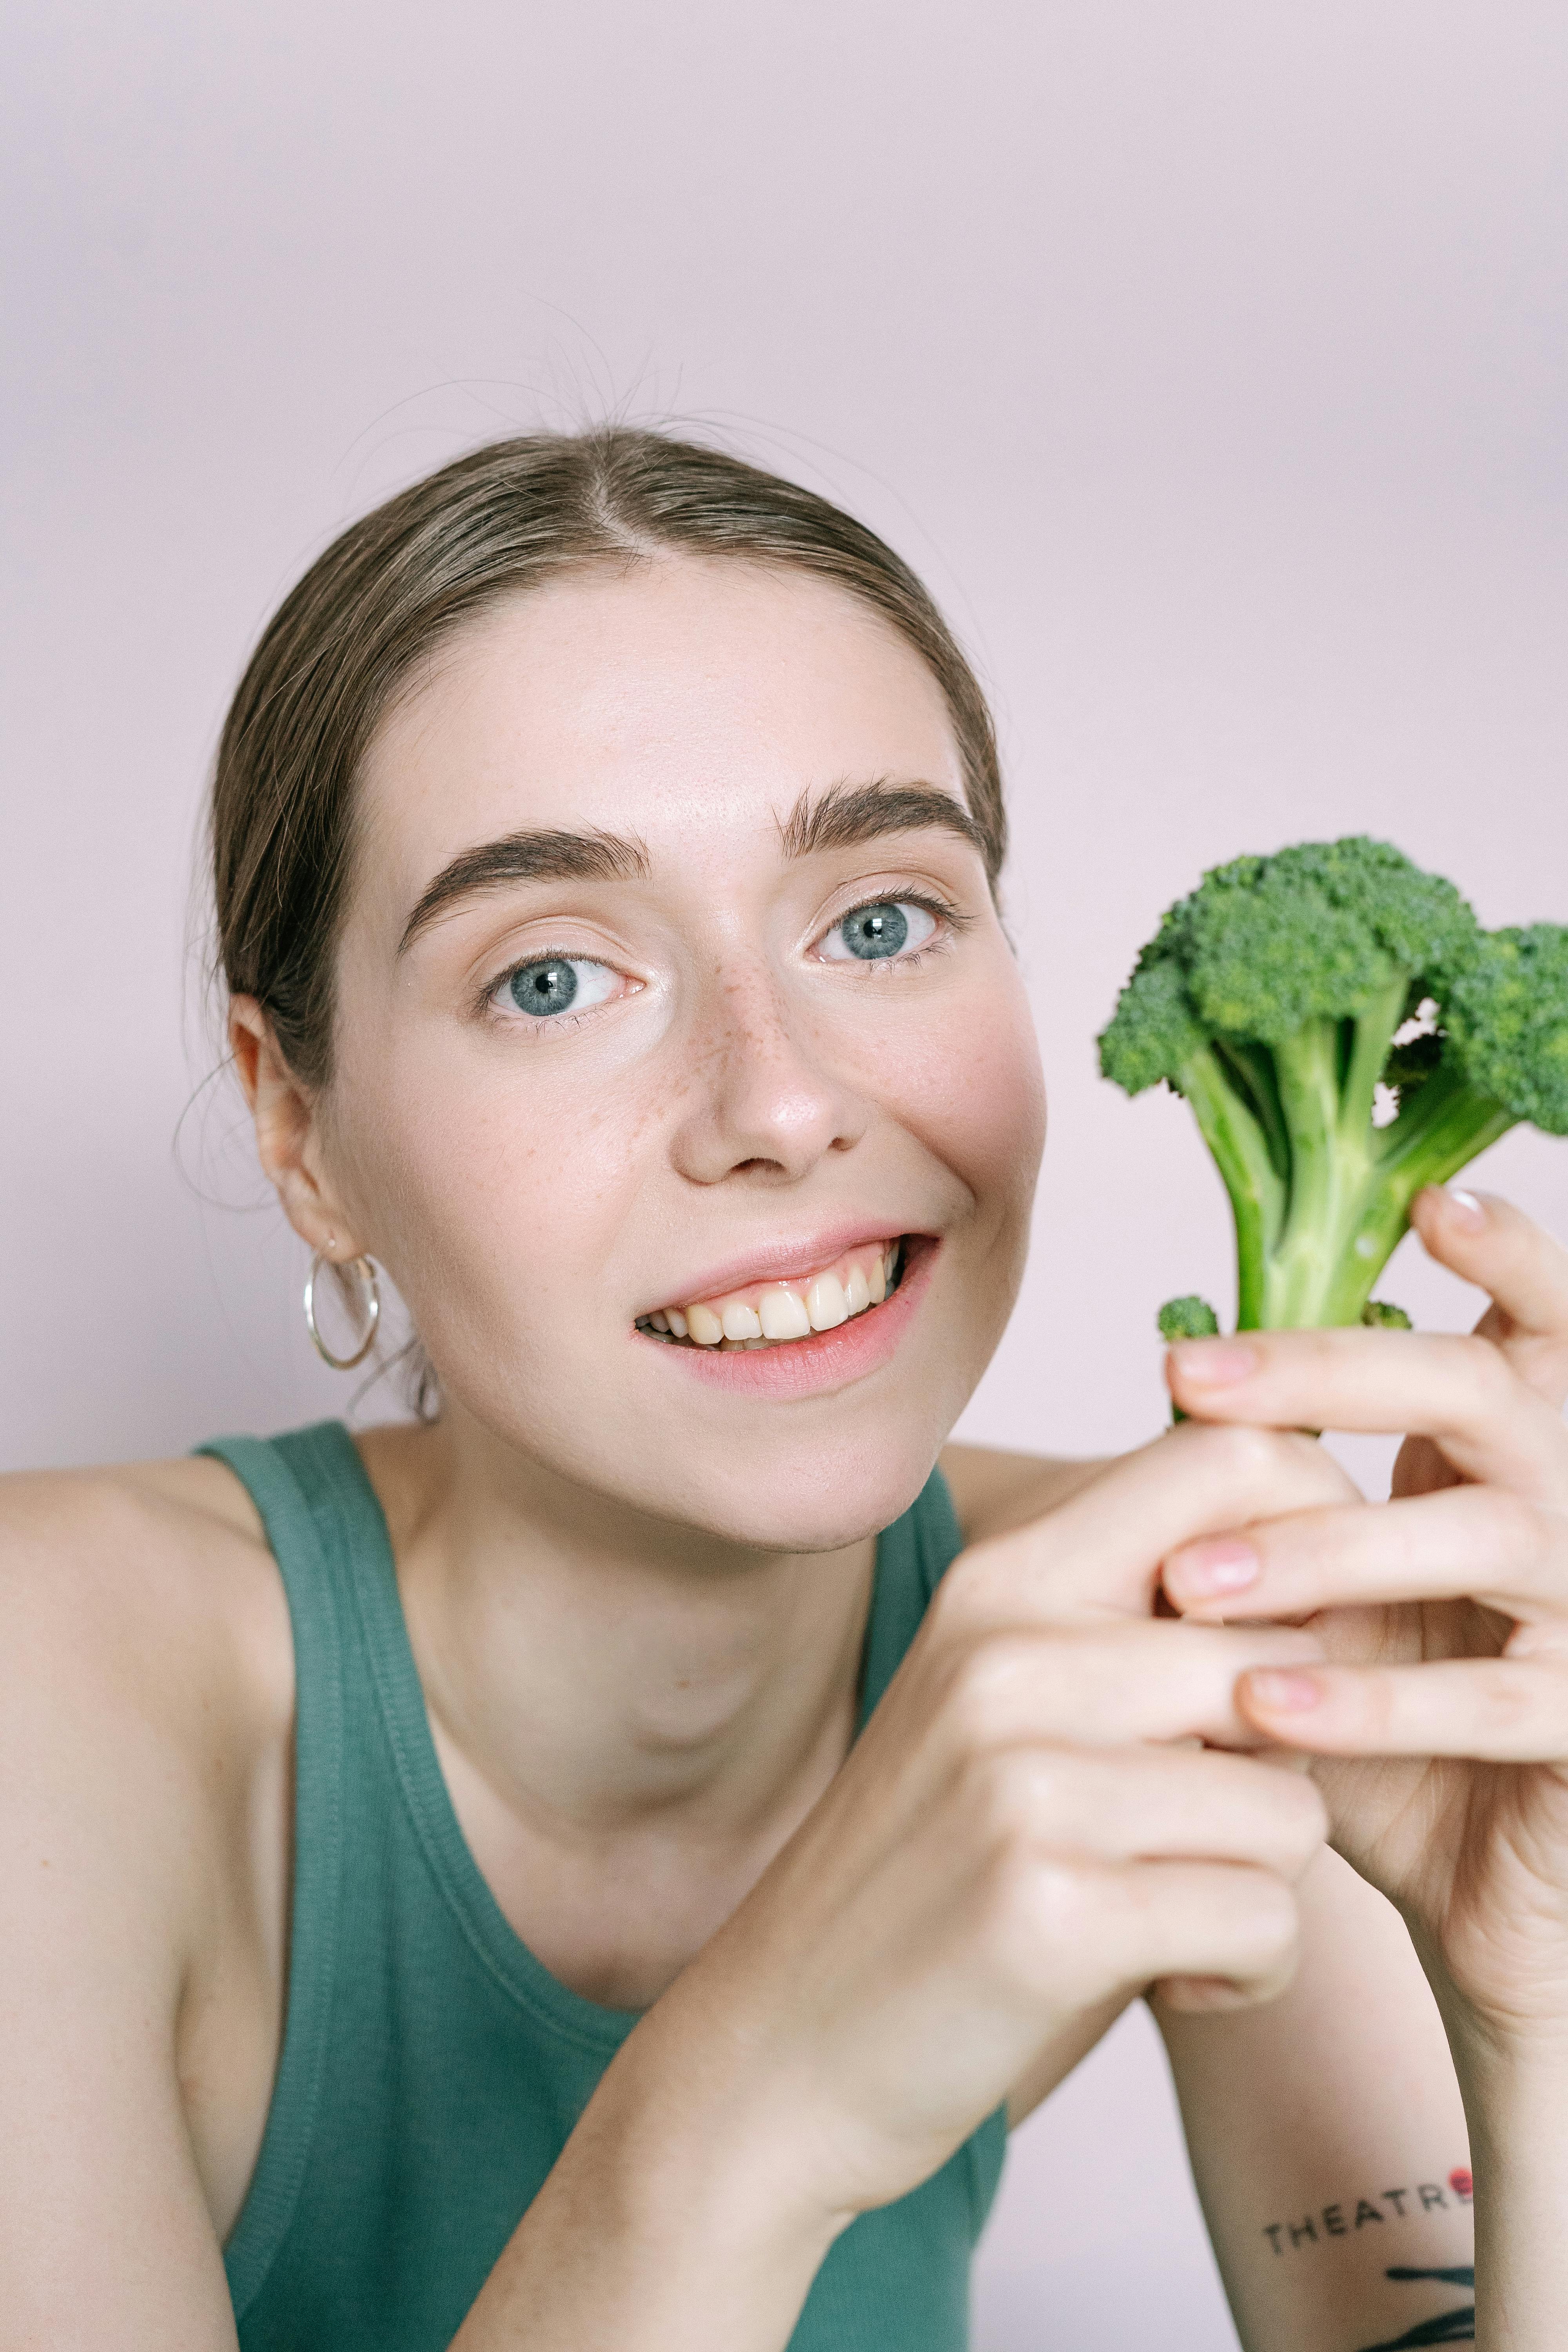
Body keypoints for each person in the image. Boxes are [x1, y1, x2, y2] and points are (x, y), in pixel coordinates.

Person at [2, 429, 1563, 2352]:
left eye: (880, 921)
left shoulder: (1191, 1644)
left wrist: (1537, 2009)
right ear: (298, 1127)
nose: (782, 1102)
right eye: (557, 978)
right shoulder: (43, 1696)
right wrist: (754, 2103)